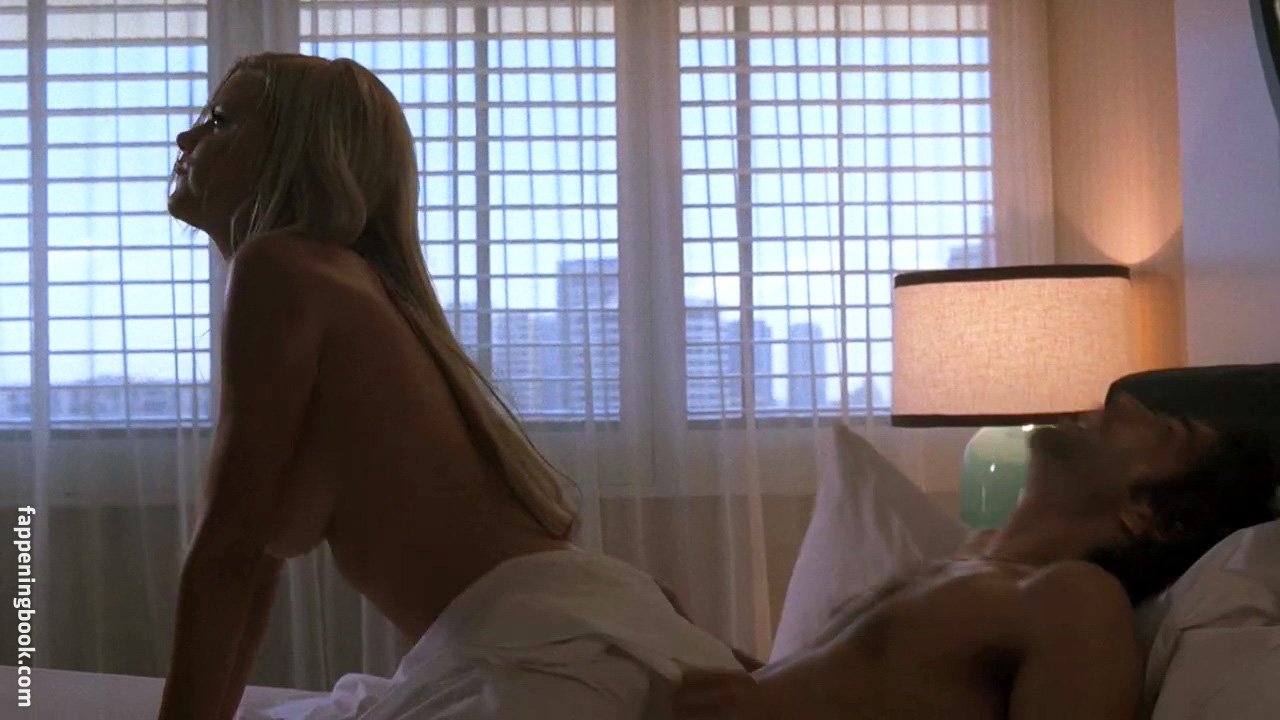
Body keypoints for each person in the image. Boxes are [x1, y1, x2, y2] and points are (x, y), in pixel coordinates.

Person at [159, 53, 738, 720]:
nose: (186, 137)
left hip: (539, 659)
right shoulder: (344, 285)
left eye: (220, 121)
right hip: (564, 626)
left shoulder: (281, 269)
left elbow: (227, 553)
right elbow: (247, 560)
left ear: (296, 153)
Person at [673, 394, 1280, 720]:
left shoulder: (1076, 600)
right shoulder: (967, 563)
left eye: (1163, 430)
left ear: (1151, 515)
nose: (1120, 404)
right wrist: (694, 647)